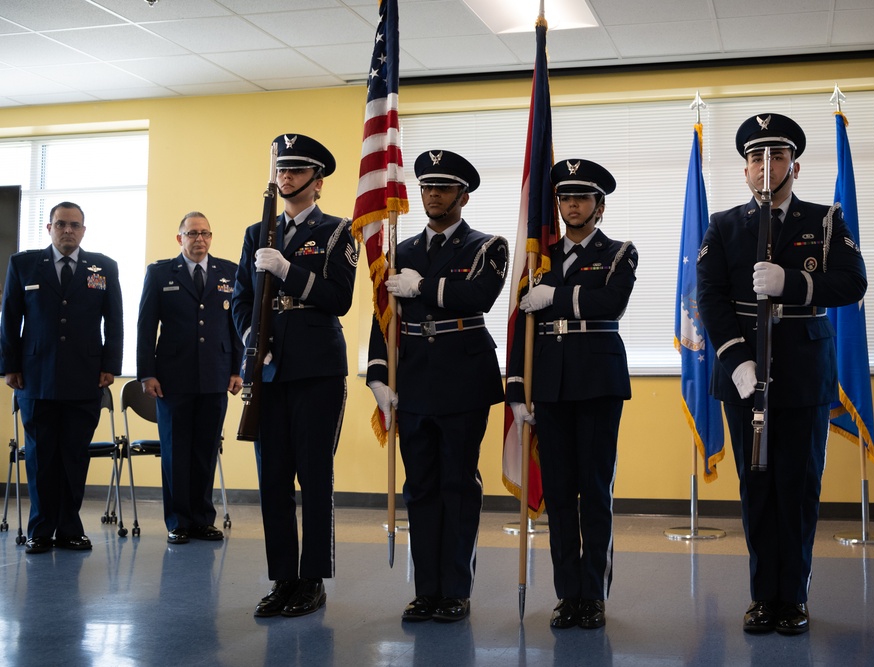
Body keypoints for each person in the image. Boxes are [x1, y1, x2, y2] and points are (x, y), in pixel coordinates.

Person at [696, 113, 867, 635]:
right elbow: (709, 297)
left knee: (798, 487)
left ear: (795, 164)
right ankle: (762, 597)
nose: (765, 167)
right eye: (755, 158)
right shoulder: (724, 226)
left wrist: (791, 281)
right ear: (745, 170)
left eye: (775, 156)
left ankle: (792, 598)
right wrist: (736, 359)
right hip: (743, 374)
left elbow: (852, 283)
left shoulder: (825, 221)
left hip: (802, 372)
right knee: (756, 488)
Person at [367, 149, 508, 623]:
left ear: (462, 195)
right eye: (427, 187)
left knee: (457, 485)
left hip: (463, 378)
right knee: (420, 487)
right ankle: (426, 589)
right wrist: (377, 375)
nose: (432, 195)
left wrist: (423, 287)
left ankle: (456, 589)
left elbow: (478, 296)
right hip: (413, 381)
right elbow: (382, 316)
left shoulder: (487, 246)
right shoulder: (398, 250)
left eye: (443, 188)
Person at [507, 159, 638, 630]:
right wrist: (517, 389)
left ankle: (594, 594)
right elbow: (520, 322)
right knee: (560, 494)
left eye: (582, 198)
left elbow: (610, 303)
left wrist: (557, 298)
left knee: (594, 492)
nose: (572, 205)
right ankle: (568, 595)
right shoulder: (537, 259)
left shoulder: (620, 252)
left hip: (597, 384)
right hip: (551, 386)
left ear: (599, 206)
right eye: (565, 197)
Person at [232, 134, 358, 618]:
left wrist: (287, 270)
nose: (286, 177)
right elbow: (242, 296)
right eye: (282, 169)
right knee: (273, 478)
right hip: (269, 368)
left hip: (316, 367)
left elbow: (338, 298)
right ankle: (283, 578)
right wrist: (252, 338)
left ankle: (313, 580)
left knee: (315, 475)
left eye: (297, 170)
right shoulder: (255, 231)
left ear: (317, 181)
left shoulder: (337, 232)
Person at [0, 201, 124, 554]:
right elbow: (9, 319)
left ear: (84, 230)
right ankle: (40, 530)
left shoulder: (104, 267)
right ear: (49, 228)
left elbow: (114, 321)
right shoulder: (23, 264)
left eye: (75, 225)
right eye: (61, 224)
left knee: (73, 455)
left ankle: (70, 528)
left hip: (85, 378)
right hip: (35, 378)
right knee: (40, 457)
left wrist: (109, 366)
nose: (67, 230)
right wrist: (10, 366)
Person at [136, 211, 243, 545]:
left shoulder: (230, 272)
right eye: (192, 233)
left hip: (216, 375)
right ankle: (178, 521)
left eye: (205, 233)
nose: (199, 239)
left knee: (205, 450)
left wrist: (238, 369)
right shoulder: (159, 273)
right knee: (175, 451)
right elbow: (145, 326)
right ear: (179, 238)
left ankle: (202, 519)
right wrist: (146, 373)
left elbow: (238, 325)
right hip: (172, 377)